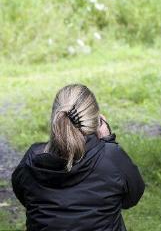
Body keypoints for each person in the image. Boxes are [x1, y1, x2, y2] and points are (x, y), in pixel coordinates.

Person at [11, 84, 145, 231]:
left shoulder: (32, 160)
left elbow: (24, 197)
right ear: (97, 120)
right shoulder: (112, 158)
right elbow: (132, 198)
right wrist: (108, 142)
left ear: (56, 118)